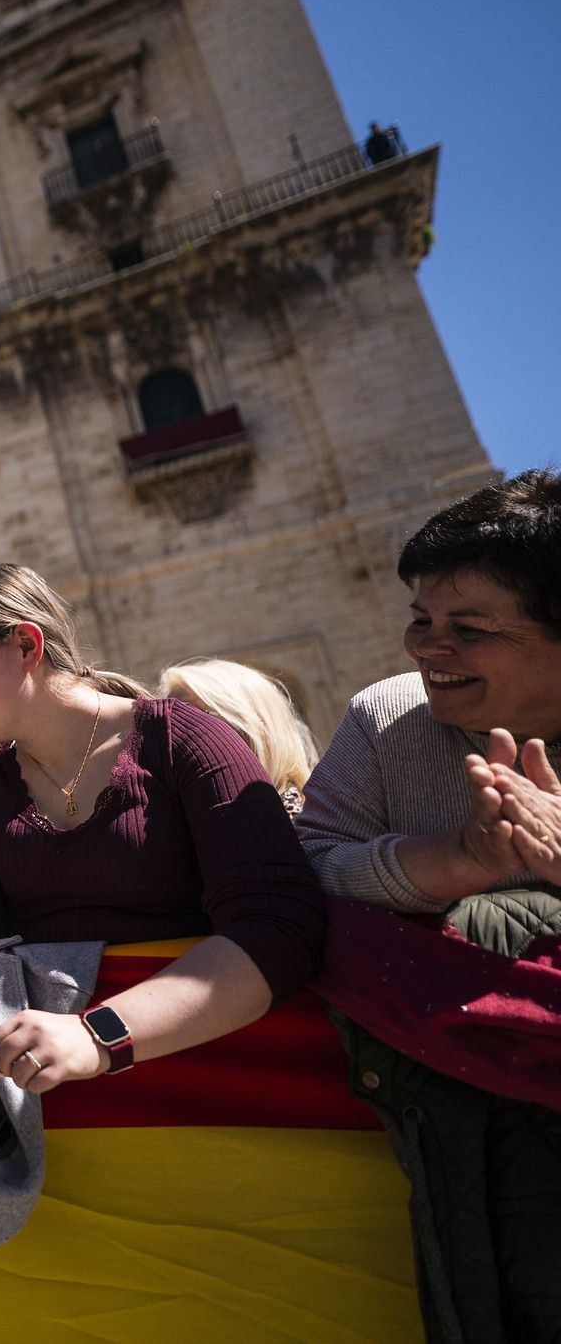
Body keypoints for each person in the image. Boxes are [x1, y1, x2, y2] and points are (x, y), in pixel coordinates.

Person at [297, 468, 560, 1341]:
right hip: (454, 1146)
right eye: (420, 620)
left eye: (469, 630)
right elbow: (307, 869)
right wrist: (458, 860)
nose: (427, 649)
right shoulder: (385, 718)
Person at [0, 562, 325, 1098]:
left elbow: (278, 924)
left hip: (216, 1082)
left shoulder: (185, 741)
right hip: (61, 1105)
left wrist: (96, 1037)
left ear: (26, 645)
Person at [160, 657, 319, 815]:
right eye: (164, 728)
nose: (172, 740)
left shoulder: (308, 831)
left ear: (254, 726)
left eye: (190, 720)